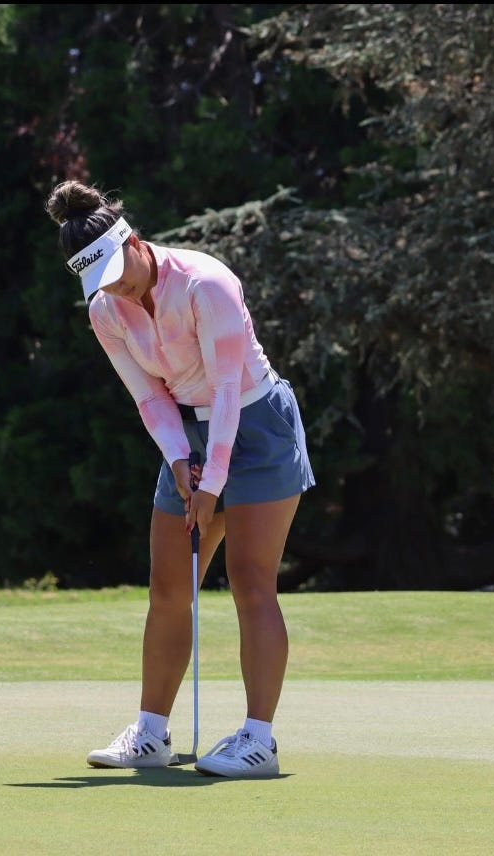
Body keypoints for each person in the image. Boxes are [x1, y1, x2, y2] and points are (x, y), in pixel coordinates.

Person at [45, 179, 314, 778]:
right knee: (168, 584)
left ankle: (259, 741)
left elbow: (226, 388)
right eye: (101, 281)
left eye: (118, 271)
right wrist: (178, 462)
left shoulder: (204, 283)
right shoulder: (105, 311)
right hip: (189, 432)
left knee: (250, 580)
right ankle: (151, 733)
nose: (115, 287)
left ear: (134, 242)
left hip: (257, 424)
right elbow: (149, 397)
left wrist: (212, 482)